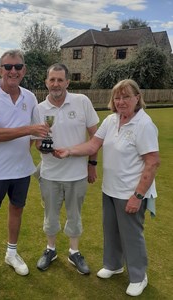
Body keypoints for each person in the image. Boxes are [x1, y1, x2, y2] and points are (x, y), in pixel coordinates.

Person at [54, 79, 160, 297]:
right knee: (110, 230)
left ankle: (139, 276)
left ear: (137, 98)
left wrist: (138, 196)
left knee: (131, 234)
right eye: (117, 97)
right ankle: (113, 265)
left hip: (130, 192)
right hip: (110, 189)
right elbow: (94, 144)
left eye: (126, 97)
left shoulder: (144, 124)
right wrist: (69, 151)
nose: (121, 102)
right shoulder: (111, 120)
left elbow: (152, 162)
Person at [0, 49, 49, 285]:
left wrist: (36, 146)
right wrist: (29, 130)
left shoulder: (30, 97)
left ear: (24, 70)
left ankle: (11, 253)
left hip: (22, 170)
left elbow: (37, 133)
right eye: (8, 67)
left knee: (17, 210)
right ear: (0, 70)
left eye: (18, 67)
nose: (13, 71)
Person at [35, 63, 99, 275]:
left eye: (60, 80)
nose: (56, 84)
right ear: (46, 82)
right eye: (52, 80)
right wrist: (44, 147)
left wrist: (92, 164)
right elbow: (37, 143)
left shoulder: (82, 102)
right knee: (50, 215)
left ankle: (74, 252)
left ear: (67, 82)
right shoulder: (39, 109)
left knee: (75, 215)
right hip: (50, 173)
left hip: (77, 174)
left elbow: (96, 138)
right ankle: (50, 249)